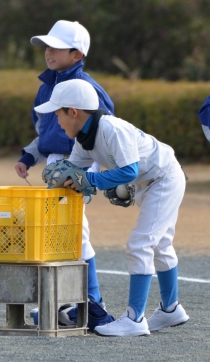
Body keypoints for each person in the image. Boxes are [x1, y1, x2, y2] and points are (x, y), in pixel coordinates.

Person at [36, 78, 190, 337]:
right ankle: (171, 309)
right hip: (150, 182)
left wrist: (91, 180)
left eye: (57, 114)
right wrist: (57, 193)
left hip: (164, 178)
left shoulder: (111, 128)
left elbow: (128, 171)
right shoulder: (84, 140)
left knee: (140, 244)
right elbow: (76, 173)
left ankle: (134, 319)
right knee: (160, 244)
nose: (57, 121)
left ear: (73, 112)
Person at [14, 20, 114, 328]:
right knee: (59, 231)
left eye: (57, 47)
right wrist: (30, 155)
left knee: (73, 230)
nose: (48, 52)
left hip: (81, 160)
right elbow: (46, 131)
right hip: (55, 164)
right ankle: (68, 301)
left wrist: (88, 170)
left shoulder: (87, 87)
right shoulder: (46, 86)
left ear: (77, 54)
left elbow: (104, 131)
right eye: (47, 46)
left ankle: (91, 302)